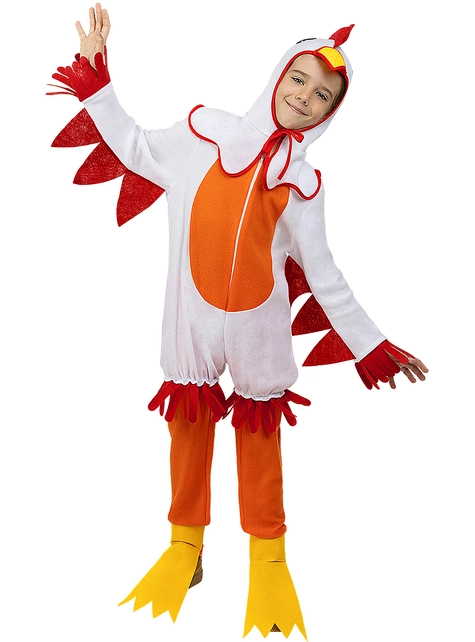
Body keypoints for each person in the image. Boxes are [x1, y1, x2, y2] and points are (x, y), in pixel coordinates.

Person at [48, 4, 428, 638]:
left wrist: (373, 345)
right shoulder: (205, 134)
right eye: (299, 79)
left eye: (323, 95)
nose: (305, 97)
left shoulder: (303, 185)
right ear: (279, 74)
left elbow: (324, 274)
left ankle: (268, 560)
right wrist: (96, 79)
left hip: (259, 331)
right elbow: (135, 147)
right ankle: (185, 545)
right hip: (190, 322)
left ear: (330, 114)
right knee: (188, 424)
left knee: (258, 440)